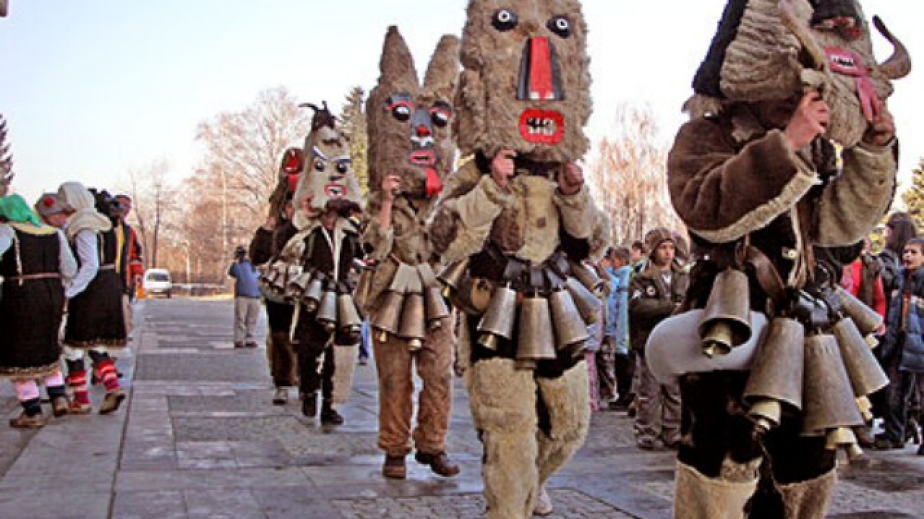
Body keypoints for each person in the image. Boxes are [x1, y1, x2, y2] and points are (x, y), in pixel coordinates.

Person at [659, 0, 905, 516]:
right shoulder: (707, 134)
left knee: (807, 468)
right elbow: (705, 212)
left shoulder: (821, 148)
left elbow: (839, 228)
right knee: (721, 467)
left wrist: (872, 151)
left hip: (807, 323)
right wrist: (786, 145)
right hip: (729, 321)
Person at [429, 2, 609, 515]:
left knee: (570, 425)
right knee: (509, 431)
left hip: (557, 313)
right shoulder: (474, 171)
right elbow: (445, 240)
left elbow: (592, 242)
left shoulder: (561, 171)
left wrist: (574, 195)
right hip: (495, 316)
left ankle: (529, 485)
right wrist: (492, 187)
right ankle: (508, 506)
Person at [361, 28, 461, 480]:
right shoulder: (378, 201)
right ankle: (395, 449)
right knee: (394, 377)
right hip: (391, 297)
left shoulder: (445, 202)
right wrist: (386, 201)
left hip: (433, 296)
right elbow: (375, 244)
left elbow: (455, 242)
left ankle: (432, 444)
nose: (422, 132)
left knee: (439, 374)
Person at [286, 101, 365, 425]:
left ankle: (331, 403)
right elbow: (287, 248)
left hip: (342, 292)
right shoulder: (305, 230)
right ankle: (309, 392)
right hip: (314, 293)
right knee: (310, 347)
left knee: (342, 349)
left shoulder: (350, 233)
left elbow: (365, 251)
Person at [1, 194, 77, 427]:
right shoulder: (53, 233)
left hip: (21, 295)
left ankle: (32, 410)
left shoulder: (7, 231)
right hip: (53, 294)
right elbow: (70, 269)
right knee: (48, 344)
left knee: (19, 351)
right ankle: (58, 396)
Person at [58, 182, 129, 414]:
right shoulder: (103, 222)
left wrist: (69, 291)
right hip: (108, 285)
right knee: (94, 342)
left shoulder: (84, 225)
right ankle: (112, 386)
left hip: (91, 290)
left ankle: (81, 398)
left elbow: (90, 264)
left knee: (73, 344)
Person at [250, 147, 302, 405]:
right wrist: (266, 230)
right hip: (279, 289)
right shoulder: (274, 229)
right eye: (289, 207)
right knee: (280, 337)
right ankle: (282, 382)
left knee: (305, 338)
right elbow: (257, 256)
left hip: (305, 287)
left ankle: (306, 382)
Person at [628, 229, 687, 450]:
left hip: (676, 341)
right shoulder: (641, 279)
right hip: (649, 341)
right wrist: (669, 307)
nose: (668, 253)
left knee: (674, 390)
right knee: (649, 390)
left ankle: (673, 431)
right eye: (663, 248)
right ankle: (647, 431)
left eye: (671, 248)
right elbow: (638, 306)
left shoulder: (682, 277)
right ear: (653, 250)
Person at [875, 237, 924, 455]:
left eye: (914, 252)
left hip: (919, 344)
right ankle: (895, 435)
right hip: (898, 343)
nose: (908, 256)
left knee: (921, 395)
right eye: (906, 252)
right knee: (893, 392)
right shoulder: (898, 279)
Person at [602, 246, 634, 411]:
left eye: (613, 260)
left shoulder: (624, 278)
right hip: (620, 328)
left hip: (623, 329)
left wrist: (617, 329)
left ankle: (624, 395)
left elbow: (620, 307)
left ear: (621, 261)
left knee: (623, 361)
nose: (611, 263)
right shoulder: (619, 277)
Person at [112, 194, 144, 335]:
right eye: (122, 205)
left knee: (124, 315)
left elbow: (135, 255)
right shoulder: (104, 227)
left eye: (128, 207)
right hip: (106, 279)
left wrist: (137, 273)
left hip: (125, 280)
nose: (125, 209)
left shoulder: (129, 231)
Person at [228, 245, 261, 349]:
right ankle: (239, 339)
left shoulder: (256, 266)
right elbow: (232, 273)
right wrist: (236, 260)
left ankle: (249, 338)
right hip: (242, 296)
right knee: (240, 318)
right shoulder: (238, 265)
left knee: (252, 319)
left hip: (255, 296)